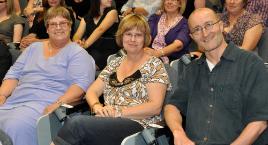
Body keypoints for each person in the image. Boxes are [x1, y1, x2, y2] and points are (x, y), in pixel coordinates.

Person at [51, 14, 170, 145]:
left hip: (139, 125)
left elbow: (155, 107)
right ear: (121, 36)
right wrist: (97, 107)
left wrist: (118, 112)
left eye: (138, 35)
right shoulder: (115, 63)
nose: (132, 39)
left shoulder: (154, 64)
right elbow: (91, 91)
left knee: (76, 124)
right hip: (108, 120)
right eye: (128, 34)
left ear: (145, 38)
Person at [164, 8, 268, 145]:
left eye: (208, 25)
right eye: (197, 29)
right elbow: (172, 106)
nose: (204, 33)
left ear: (221, 26)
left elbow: (260, 121)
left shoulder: (251, 64)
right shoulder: (192, 70)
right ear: (192, 37)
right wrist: (178, 133)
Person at [0, 6, 95, 145]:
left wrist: (57, 104)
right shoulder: (33, 49)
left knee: (13, 125)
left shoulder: (78, 54)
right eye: (53, 24)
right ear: (47, 29)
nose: (58, 27)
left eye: (63, 23)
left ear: (70, 27)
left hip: (45, 107)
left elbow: (79, 88)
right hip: (15, 101)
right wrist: (2, 95)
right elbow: (14, 74)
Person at [73, 0, 119, 70]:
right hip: (90, 50)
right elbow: (78, 34)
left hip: (106, 51)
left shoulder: (113, 12)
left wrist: (84, 45)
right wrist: (77, 42)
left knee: (81, 68)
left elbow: (100, 30)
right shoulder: (87, 17)